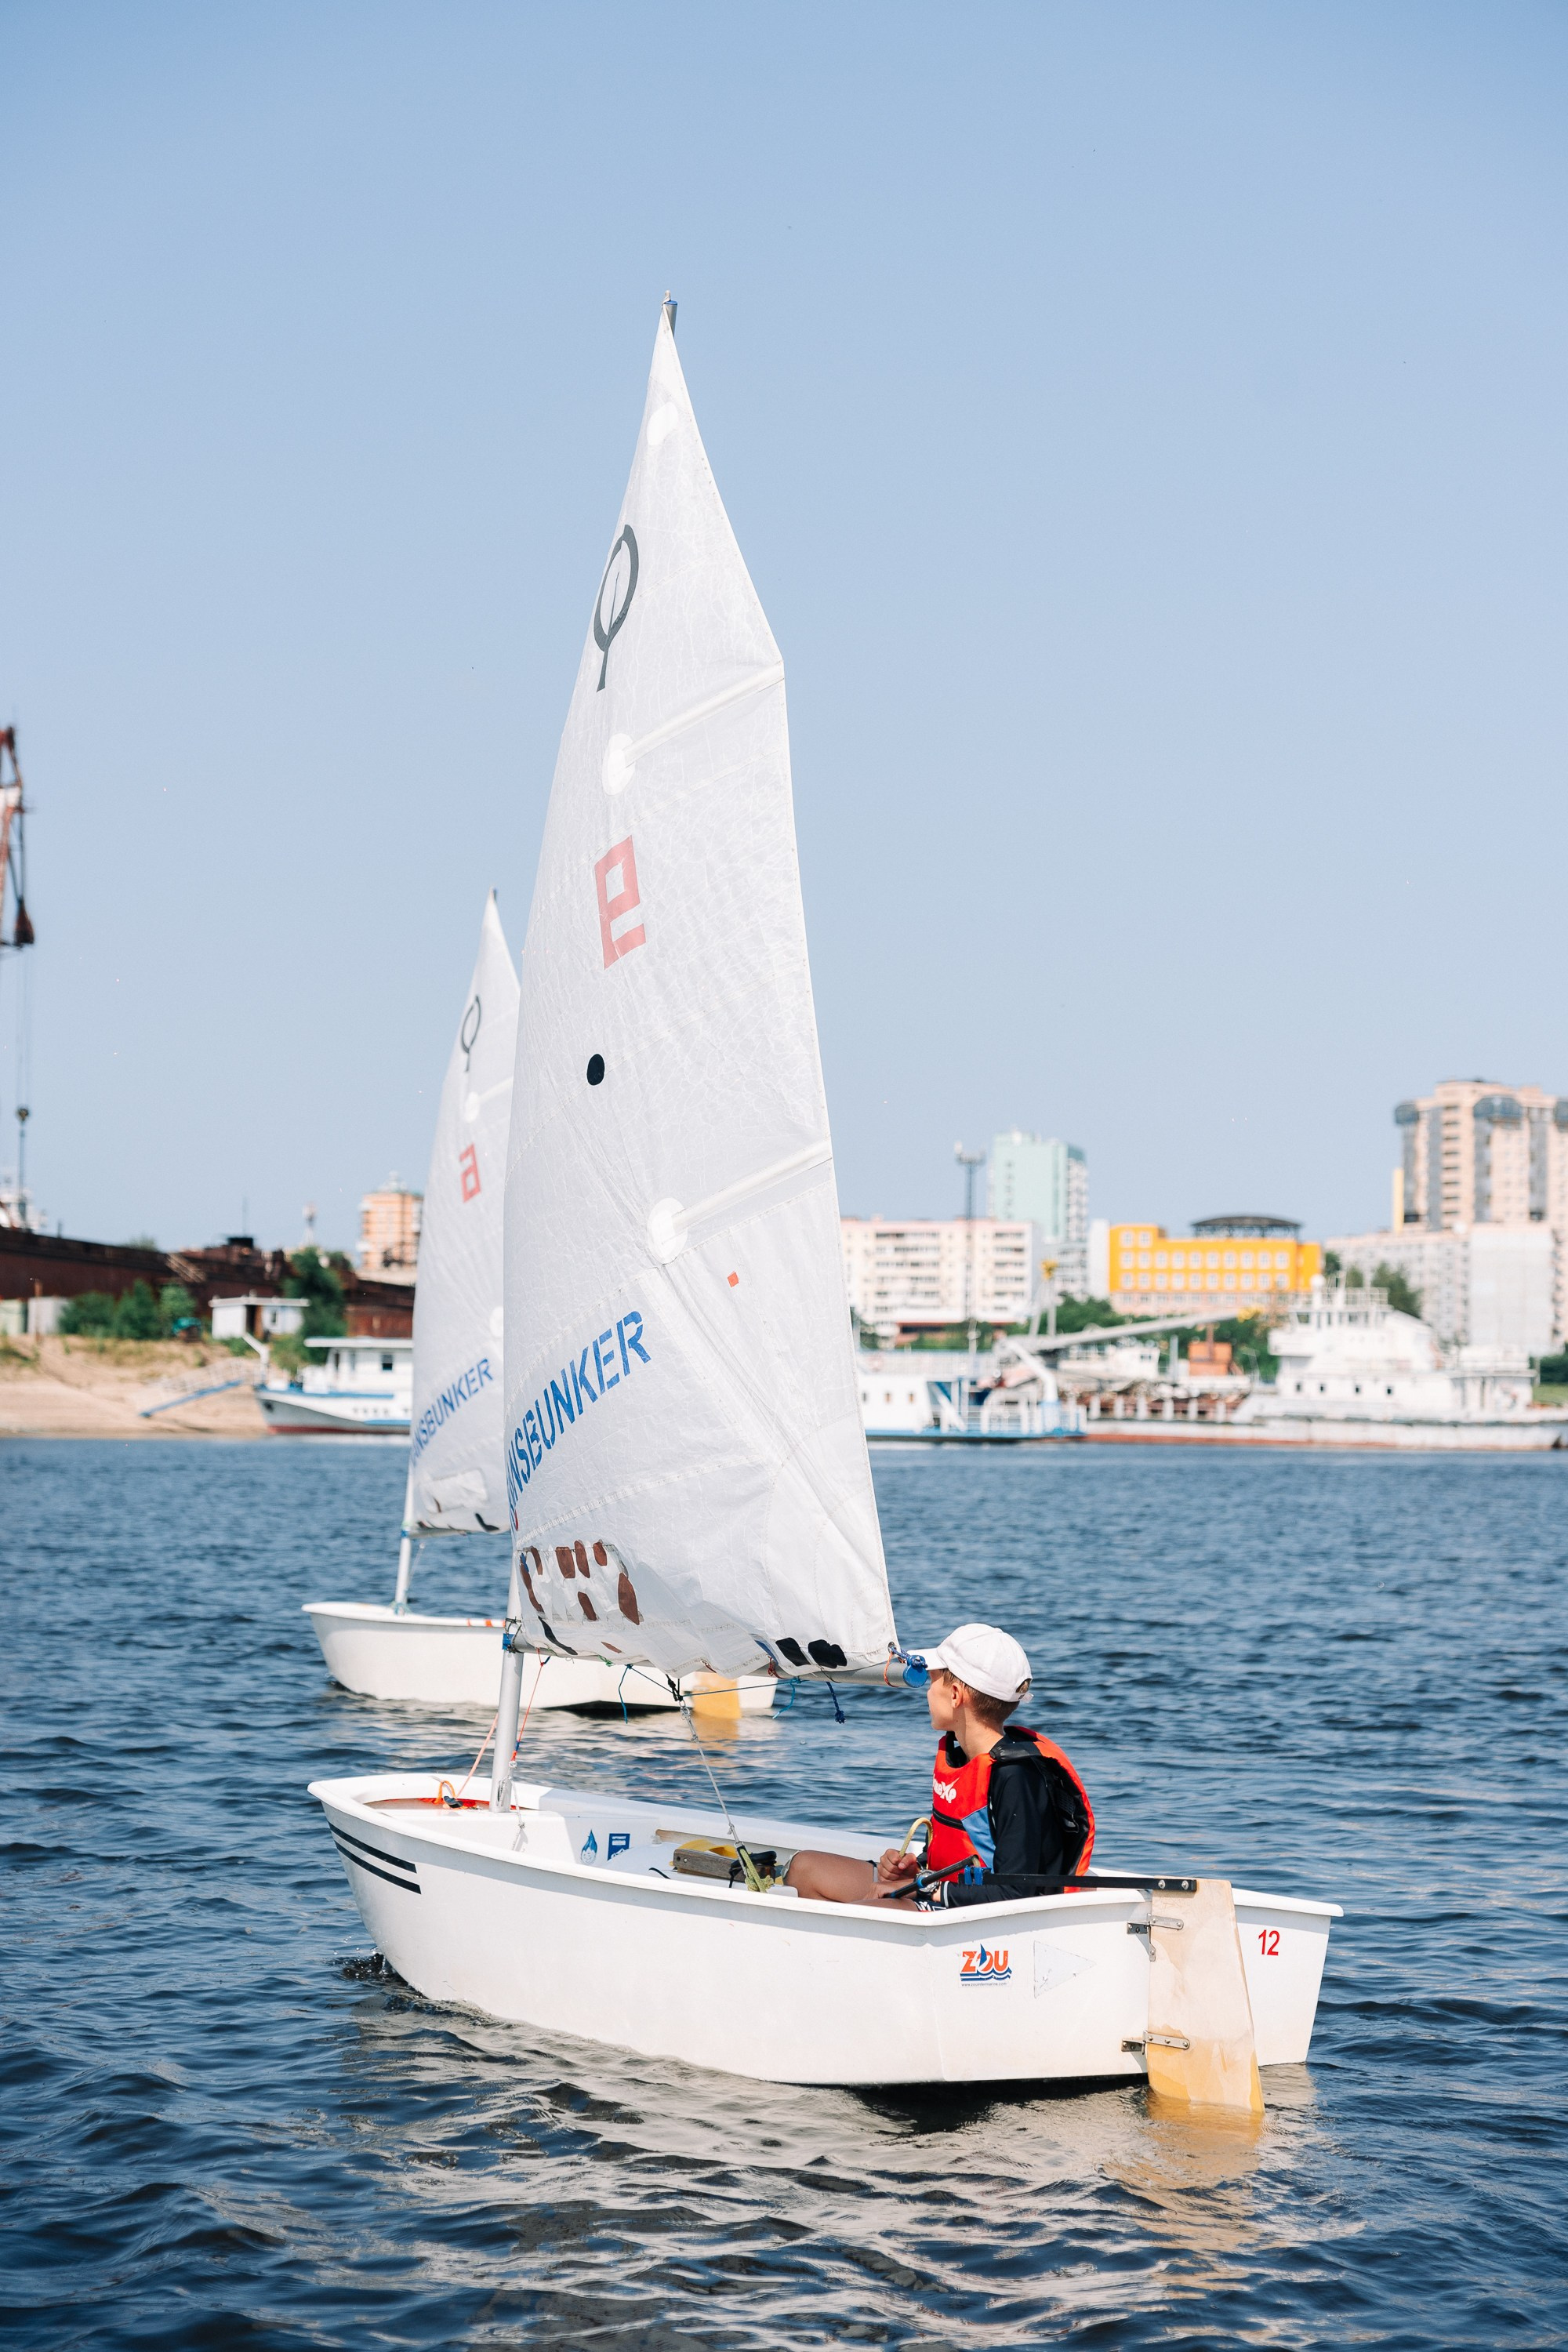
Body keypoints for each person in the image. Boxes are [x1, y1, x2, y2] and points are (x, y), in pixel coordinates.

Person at [784, 1623, 1094, 1907]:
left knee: (859, 1912)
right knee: (805, 1869)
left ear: (956, 1695)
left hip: (969, 1916)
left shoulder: (1015, 1776)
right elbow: (966, 1848)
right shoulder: (965, 1756)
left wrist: (919, 1889)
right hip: (941, 1889)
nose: (928, 1692)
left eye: (932, 1681)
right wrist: (914, 1867)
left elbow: (1016, 1892)